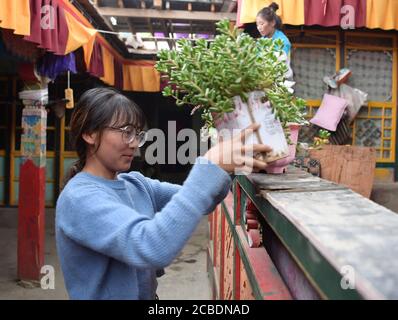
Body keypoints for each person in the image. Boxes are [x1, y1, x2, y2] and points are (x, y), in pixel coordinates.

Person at [55, 87, 272, 300]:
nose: (134, 144)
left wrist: (224, 166)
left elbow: (203, 201)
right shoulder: (79, 199)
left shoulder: (135, 184)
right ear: (90, 134)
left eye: (137, 134)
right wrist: (209, 165)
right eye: (125, 132)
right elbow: (151, 245)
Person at [256, 2, 293, 80]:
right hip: (266, 78)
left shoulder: (283, 41)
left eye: (261, 24)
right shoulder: (261, 41)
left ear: (272, 23)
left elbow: (278, 63)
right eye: (257, 25)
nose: (259, 28)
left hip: (282, 79)